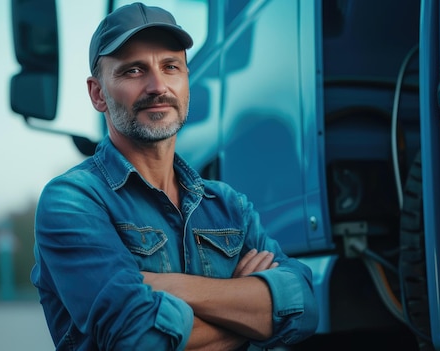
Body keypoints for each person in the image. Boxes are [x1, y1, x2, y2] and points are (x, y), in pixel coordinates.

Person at [31, 2, 318, 350]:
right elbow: (140, 340)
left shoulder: (228, 205)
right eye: (133, 71)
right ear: (97, 94)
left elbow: (303, 305)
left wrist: (170, 286)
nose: (157, 86)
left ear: (185, 81)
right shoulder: (72, 201)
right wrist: (251, 314)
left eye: (171, 67)